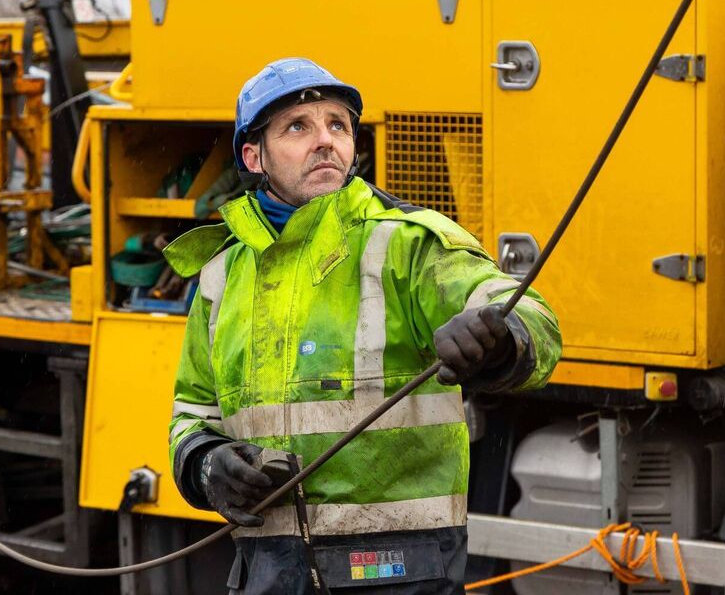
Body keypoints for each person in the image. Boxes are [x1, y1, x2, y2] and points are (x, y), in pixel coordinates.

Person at [164, 58, 560, 594]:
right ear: (253, 157)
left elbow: (525, 313)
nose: (325, 140)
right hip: (269, 571)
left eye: (338, 125)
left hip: (397, 569)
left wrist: (498, 340)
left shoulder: (404, 242)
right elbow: (192, 412)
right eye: (298, 127)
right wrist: (207, 464)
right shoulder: (220, 275)